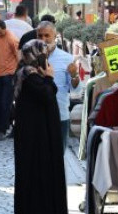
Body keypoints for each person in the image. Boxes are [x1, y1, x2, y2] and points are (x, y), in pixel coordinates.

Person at [13, 40, 66, 214]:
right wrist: (50, 77)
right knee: (38, 176)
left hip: (38, 136)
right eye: (42, 54)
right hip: (37, 139)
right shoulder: (30, 76)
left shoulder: (31, 74)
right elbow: (47, 95)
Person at [37, 21, 80, 150]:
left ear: (54, 36)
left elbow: (75, 89)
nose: (43, 39)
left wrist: (74, 75)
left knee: (59, 154)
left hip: (60, 113)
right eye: (40, 36)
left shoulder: (66, 58)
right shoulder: (30, 57)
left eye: (47, 35)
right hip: (38, 114)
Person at [0, 20, 19, 140]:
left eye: (0, 31)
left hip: (9, 73)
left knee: (5, 103)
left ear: (4, 28)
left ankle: (3, 128)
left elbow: (18, 56)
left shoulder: (12, 39)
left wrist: (17, 73)